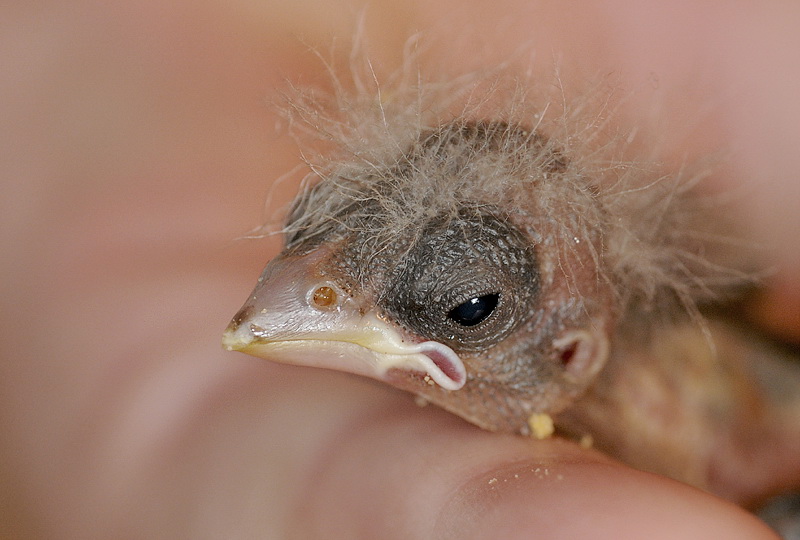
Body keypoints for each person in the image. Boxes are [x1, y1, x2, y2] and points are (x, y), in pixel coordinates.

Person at [1, 0, 796, 537]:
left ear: (572, 354)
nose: (304, 293)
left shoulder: (723, 414)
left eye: (472, 306)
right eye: (318, 225)